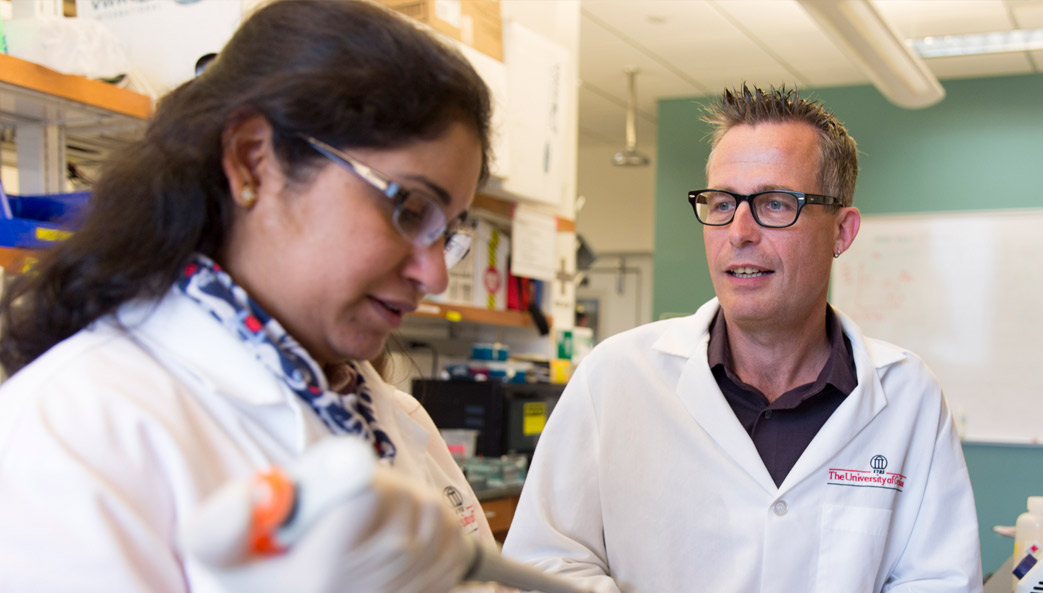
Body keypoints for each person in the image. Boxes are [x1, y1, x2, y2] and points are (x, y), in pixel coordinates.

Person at [0, 1, 498, 591]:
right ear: (253, 161)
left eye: (448, 230)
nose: (435, 272)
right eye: (410, 209)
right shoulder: (74, 432)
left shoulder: (397, 419)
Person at [502, 85, 983, 593]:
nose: (739, 231)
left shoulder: (908, 397)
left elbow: (940, 581)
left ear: (842, 231)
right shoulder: (616, 377)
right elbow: (542, 565)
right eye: (722, 202)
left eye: (775, 204)